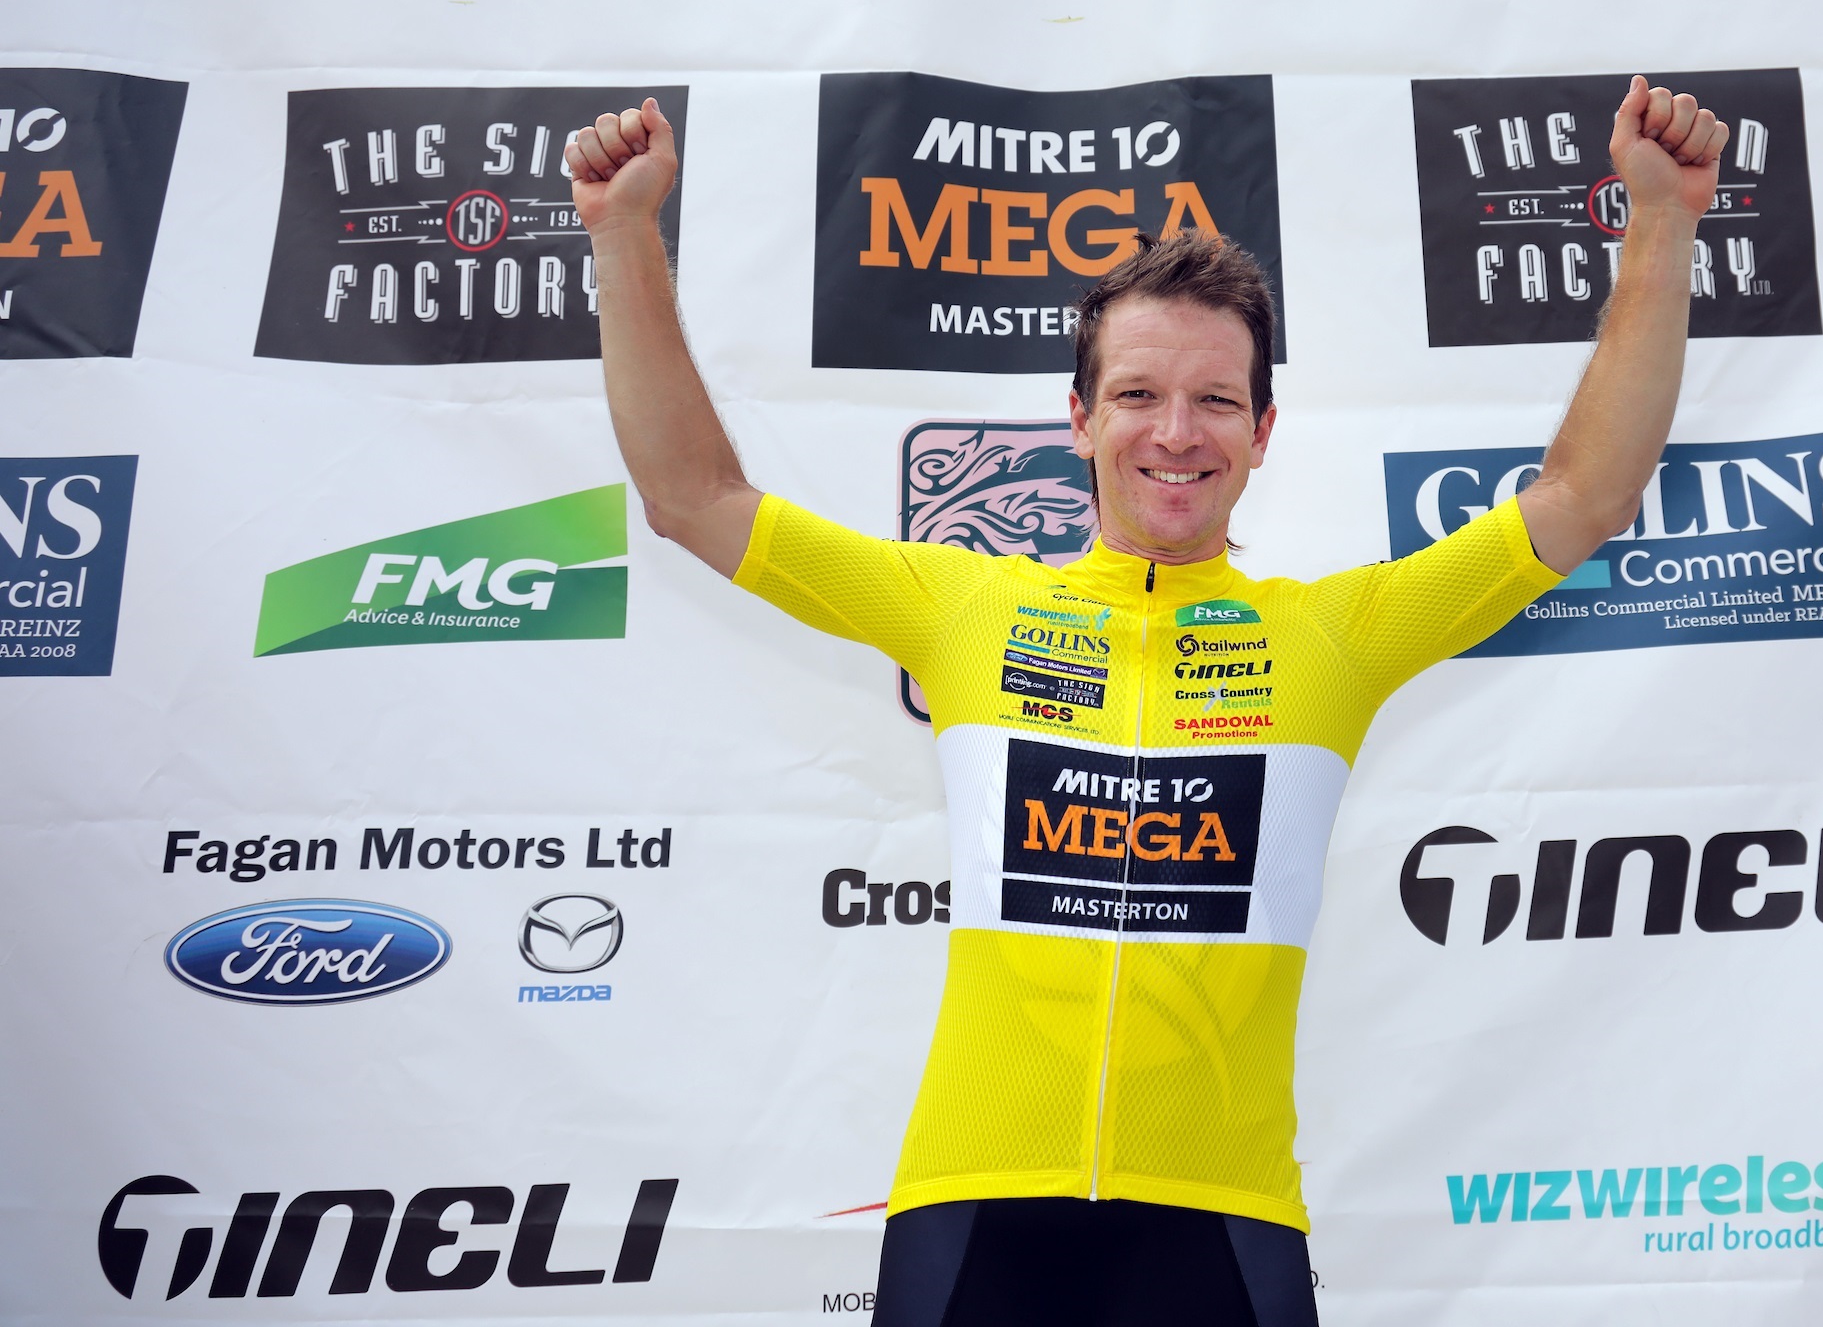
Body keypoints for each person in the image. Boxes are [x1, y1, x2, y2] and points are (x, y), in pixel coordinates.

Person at [567, 77, 1728, 1326]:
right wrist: (623, 234)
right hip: (975, 1211)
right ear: (1078, 419)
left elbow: (1587, 497)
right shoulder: (973, 610)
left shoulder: (1331, 634)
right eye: (1136, 394)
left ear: (1264, 429)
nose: (1176, 432)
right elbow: (691, 497)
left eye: (1216, 399)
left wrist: (1661, 223)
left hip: (1221, 1223)